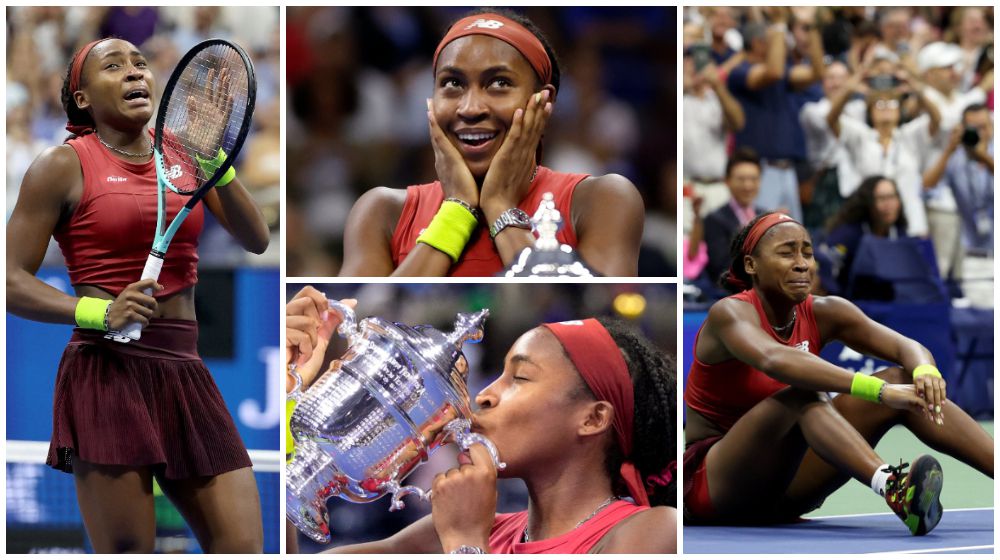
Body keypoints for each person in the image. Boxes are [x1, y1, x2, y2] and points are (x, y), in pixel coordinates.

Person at [6, 38, 270, 553]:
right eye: (114, 67)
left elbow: (256, 238)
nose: (134, 74)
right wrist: (101, 312)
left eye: (140, 65)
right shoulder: (60, 166)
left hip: (185, 370)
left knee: (242, 548)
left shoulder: (184, 153)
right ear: (82, 99)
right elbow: (10, 280)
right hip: (107, 372)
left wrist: (213, 152)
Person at [285, 287, 677, 553]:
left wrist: (465, 544)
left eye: (519, 378)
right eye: (499, 374)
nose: (485, 394)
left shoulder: (652, 531)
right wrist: (292, 385)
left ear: (593, 419)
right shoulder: (466, 526)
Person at [683, 212, 994, 534]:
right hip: (716, 486)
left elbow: (906, 347)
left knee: (902, 379)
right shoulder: (730, 313)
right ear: (751, 265)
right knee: (804, 392)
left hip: (783, 488)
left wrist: (925, 371)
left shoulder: (826, 311)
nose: (803, 263)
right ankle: (893, 487)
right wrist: (878, 391)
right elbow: (773, 358)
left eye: (807, 252)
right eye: (787, 252)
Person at [339, 9, 644, 277]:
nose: (471, 108)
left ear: (543, 101)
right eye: (453, 83)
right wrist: (456, 213)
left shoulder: (601, 199)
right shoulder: (382, 210)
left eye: (499, 83)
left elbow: (593, 323)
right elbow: (365, 330)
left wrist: (500, 206)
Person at [824, 176, 908, 295]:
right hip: (850, 304)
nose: (889, 205)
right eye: (882, 199)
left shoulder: (899, 234)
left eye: (892, 197)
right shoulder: (848, 234)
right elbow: (826, 268)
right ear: (868, 203)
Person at [703, 147, 766, 284]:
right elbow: (720, 267)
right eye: (741, 179)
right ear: (727, 181)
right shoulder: (714, 220)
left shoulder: (766, 217)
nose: (747, 185)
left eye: (753, 179)